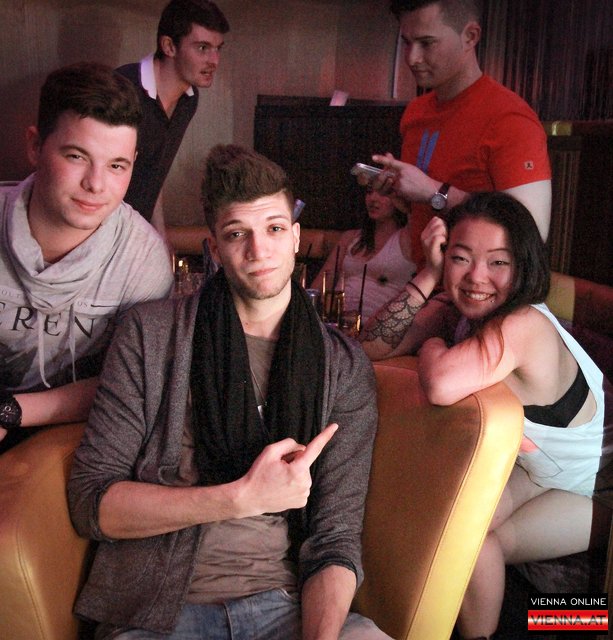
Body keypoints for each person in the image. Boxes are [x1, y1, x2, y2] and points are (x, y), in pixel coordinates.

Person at [68, 144, 391, 640]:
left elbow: (335, 537)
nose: (259, 251)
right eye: (238, 234)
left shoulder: (343, 368)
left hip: (285, 606)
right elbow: (92, 502)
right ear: (215, 249)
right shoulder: (151, 336)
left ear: (296, 237)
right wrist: (238, 498)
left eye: (274, 229)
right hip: (159, 613)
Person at [361, 192, 610, 639]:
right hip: (542, 471)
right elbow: (372, 347)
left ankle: (583, 620)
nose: (477, 277)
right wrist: (429, 274)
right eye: (460, 258)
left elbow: (440, 384)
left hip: (601, 487)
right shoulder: (461, 311)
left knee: (477, 547)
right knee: (459, 532)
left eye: (498, 262)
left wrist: (432, 345)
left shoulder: (524, 323)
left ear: (523, 266)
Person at [0, 62, 174, 454]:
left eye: (116, 166)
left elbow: (134, 385)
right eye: (77, 156)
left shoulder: (143, 261)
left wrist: (9, 411)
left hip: (78, 434)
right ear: (35, 146)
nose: (96, 184)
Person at [372, 0, 551, 267]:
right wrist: (404, 195)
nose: (412, 58)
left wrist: (435, 192)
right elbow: (425, 212)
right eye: (407, 43)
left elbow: (530, 232)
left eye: (427, 43)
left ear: (470, 37)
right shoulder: (416, 113)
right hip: (425, 276)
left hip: (479, 285)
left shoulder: (509, 118)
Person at [117, 0, 229, 231]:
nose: (214, 61)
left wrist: (159, 234)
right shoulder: (121, 89)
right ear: (169, 46)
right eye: (202, 48)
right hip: (98, 231)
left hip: (132, 232)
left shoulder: (189, 99)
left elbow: (155, 172)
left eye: (218, 48)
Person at [311, 186, 416, 327]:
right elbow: (320, 284)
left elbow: (418, 215)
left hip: (382, 328)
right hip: (338, 324)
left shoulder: (407, 238)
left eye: (383, 193)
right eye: (369, 192)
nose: (373, 199)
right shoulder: (350, 237)